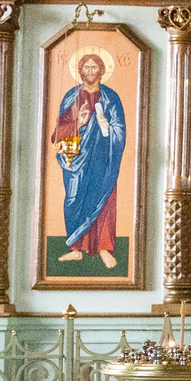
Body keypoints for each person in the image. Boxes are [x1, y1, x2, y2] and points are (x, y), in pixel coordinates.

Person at [52, 49, 126, 270]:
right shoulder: (71, 97)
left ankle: (104, 247)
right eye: (86, 67)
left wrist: (105, 126)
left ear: (102, 71)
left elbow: (119, 130)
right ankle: (75, 249)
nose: (90, 71)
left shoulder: (111, 97)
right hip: (75, 159)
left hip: (103, 157)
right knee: (74, 199)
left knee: (103, 199)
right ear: (80, 70)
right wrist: (80, 123)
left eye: (95, 67)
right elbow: (58, 134)